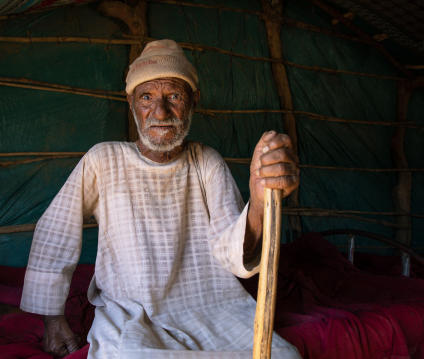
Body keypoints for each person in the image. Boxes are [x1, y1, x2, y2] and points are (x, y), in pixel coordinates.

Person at [20, 39, 301, 359]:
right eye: (147, 97)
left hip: (214, 308)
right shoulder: (103, 159)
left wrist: (260, 202)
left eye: (174, 96)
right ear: (131, 103)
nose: (160, 111)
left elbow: (232, 250)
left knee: (283, 356)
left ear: (194, 101)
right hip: (132, 313)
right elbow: (56, 231)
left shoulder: (207, 160)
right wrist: (53, 319)